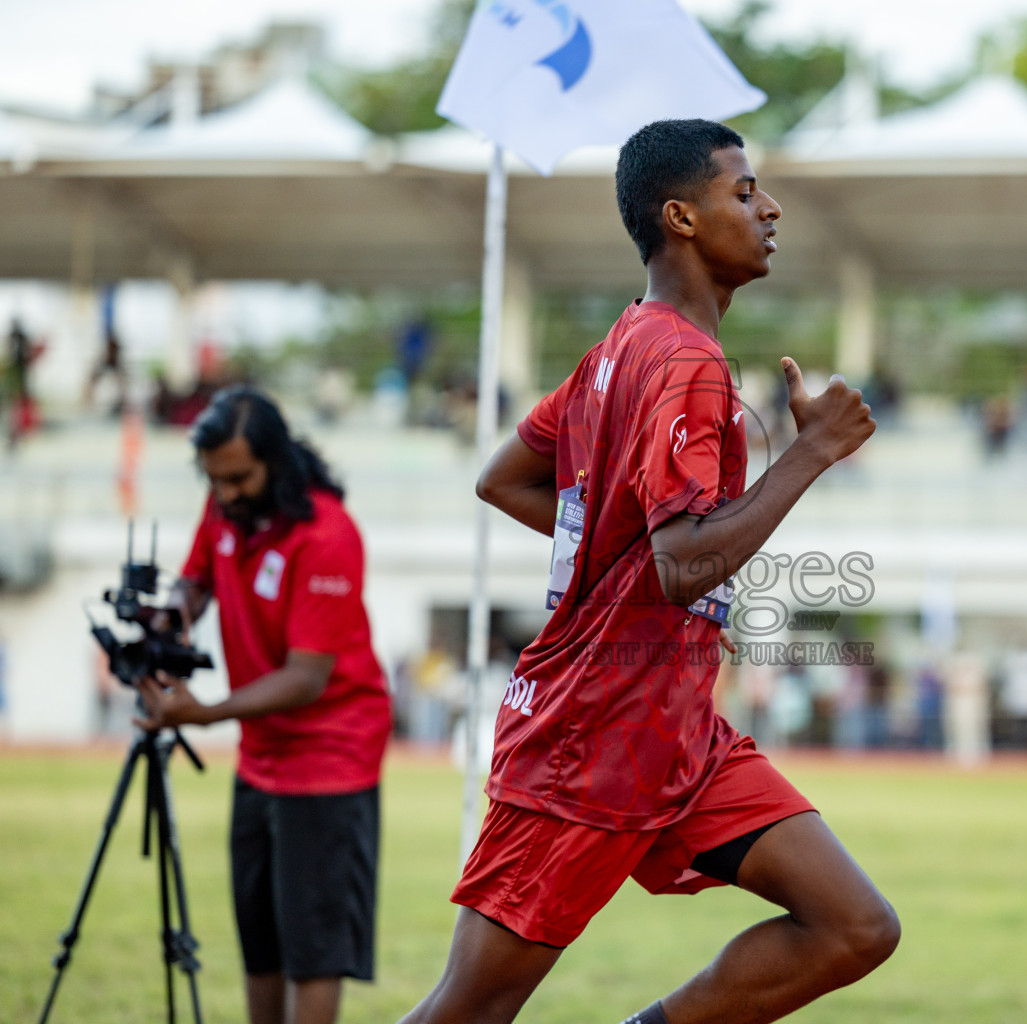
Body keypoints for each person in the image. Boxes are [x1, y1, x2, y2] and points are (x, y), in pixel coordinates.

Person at [400, 119, 897, 1024]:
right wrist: (810, 451)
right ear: (682, 218)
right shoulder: (682, 364)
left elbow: (504, 478)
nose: (770, 207)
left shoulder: (620, 348)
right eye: (744, 192)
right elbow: (679, 566)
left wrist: (607, 560)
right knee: (466, 1011)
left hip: (677, 736)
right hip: (588, 742)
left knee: (855, 926)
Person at [134, 387, 392, 1024]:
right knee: (260, 941)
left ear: (276, 461)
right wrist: (175, 614)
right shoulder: (225, 509)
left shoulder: (327, 534)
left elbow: (307, 678)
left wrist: (206, 712)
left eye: (239, 478)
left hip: (331, 757)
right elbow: (194, 581)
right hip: (262, 756)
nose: (225, 494)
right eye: (214, 480)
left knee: (313, 950)